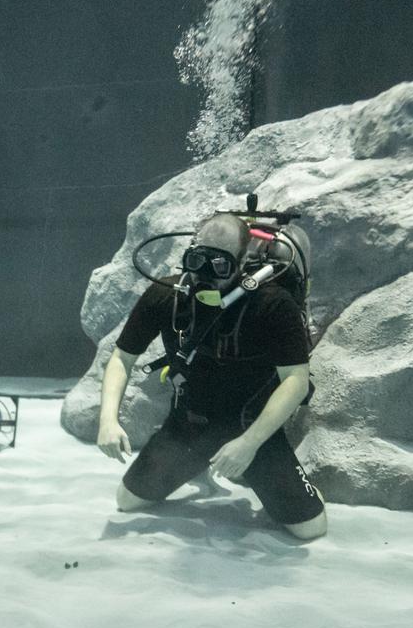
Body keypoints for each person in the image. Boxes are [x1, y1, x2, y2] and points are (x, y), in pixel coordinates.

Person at [96, 210, 327, 539]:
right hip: (188, 427)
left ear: (241, 262)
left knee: (311, 529)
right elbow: (121, 357)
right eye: (197, 261)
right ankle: (197, 468)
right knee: (127, 502)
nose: (204, 275)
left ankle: (301, 491)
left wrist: (249, 443)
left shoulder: (272, 305)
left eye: (218, 266)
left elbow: (296, 380)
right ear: (188, 254)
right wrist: (107, 419)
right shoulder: (166, 295)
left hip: (252, 431)